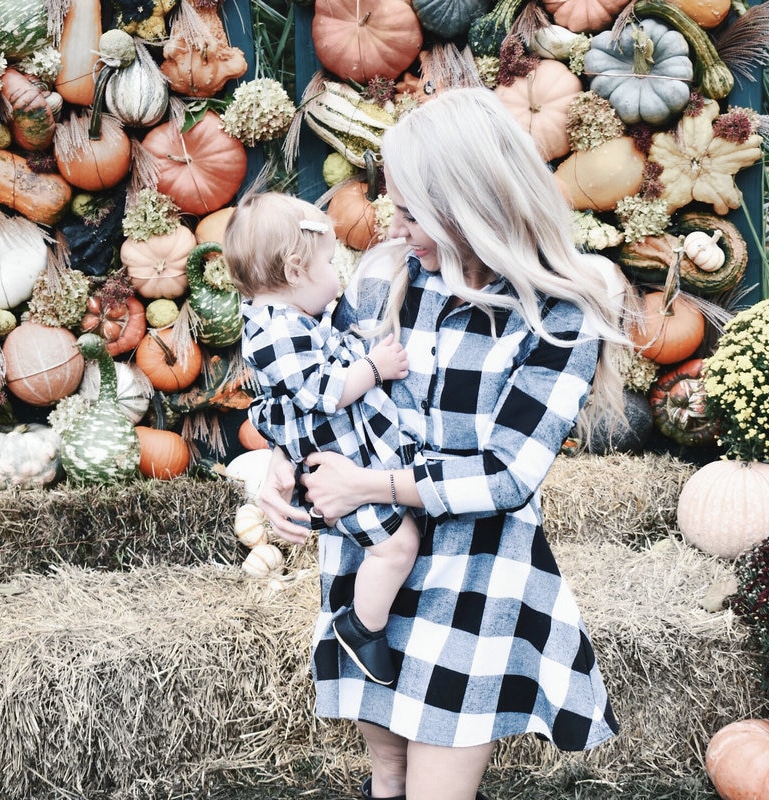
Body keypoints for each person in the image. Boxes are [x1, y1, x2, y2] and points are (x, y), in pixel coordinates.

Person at [258, 86, 630, 800]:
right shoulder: (387, 279)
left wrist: (366, 485)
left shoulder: (558, 315)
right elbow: (320, 389)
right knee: (389, 778)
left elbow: (507, 474)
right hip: (376, 560)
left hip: (474, 572)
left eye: (411, 213)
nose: (396, 228)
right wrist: (282, 461)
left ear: (471, 206)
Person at [222, 192, 422, 686]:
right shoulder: (276, 331)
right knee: (398, 546)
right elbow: (324, 391)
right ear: (295, 271)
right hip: (339, 472)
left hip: (349, 461)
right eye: (330, 264)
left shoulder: (289, 321)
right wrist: (374, 367)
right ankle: (362, 627)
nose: (337, 277)